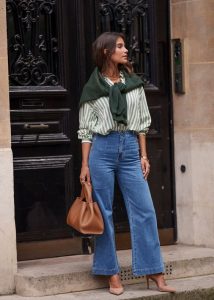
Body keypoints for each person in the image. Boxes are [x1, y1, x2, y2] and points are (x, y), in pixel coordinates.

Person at [78, 32, 175, 295]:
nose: (125, 50)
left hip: (130, 148)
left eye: (124, 46)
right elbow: (86, 130)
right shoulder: (92, 88)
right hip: (102, 149)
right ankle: (112, 273)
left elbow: (142, 122)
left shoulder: (133, 83)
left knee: (145, 209)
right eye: (119, 46)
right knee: (104, 213)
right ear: (106, 52)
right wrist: (85, 165)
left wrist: (143, 155)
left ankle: (153, 270)